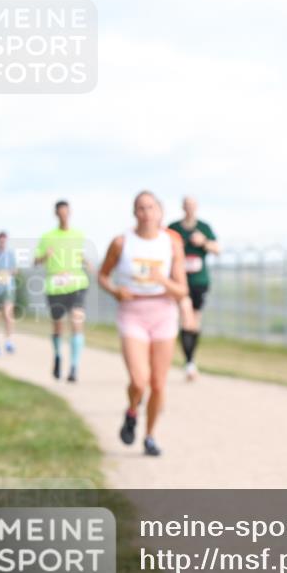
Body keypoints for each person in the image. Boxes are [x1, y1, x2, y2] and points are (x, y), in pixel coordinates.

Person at [98, 191, 188, 457]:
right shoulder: (121, 242)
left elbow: (181, 290)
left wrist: (162, 280)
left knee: (158, 384)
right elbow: (102, 276)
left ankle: (149, 436)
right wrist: (115, 291)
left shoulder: (171, 243)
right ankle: (132, 410)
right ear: (134, 213)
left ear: (160, 212)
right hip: (133, 312)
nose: (146, 213)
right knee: (139, 381)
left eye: (151, 207)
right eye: (140, 208)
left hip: (163, 311)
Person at [34, 200, 91, 382]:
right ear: (56, 214)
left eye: (66, 213)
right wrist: (45, 256)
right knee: (58, 325)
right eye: (61, 213)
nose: (64, 216)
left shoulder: (78, 235)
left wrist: (86, 262)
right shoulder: (47, 236)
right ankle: (58, 355)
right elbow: (36, 261)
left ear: (70, 213)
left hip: (76, 283)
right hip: (56, 285)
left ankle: (74, 367)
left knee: (76, 320)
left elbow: (78, 254)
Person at [168, 196, 220, 381]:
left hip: (199, 281)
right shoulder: (173, 228)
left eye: (192, 205)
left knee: (194, 321)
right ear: (182, 207)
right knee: (185, 317)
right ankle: (189, 363)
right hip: (180, 282)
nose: (189, 208)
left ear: (196, 207)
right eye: (187, 205)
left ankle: (190, 360)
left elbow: (217, 249)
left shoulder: (204, 227)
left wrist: (203, 242)